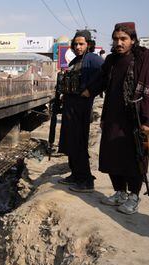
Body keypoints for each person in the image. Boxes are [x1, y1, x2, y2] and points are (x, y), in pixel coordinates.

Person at [83, 22, 149, 214]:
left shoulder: (144, 58)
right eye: (116, 39)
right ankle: (119, 192)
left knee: (136, 158)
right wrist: (85, 92)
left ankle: (134, 196)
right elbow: (101, 82)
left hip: (136, 117)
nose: (119, 42)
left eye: (123, 39)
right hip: (112, 116)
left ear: (132, 40)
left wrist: (148, 121)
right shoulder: (111, 60)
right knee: (112, 155)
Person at [57, 30, 104, 192]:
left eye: (81, 44)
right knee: (71, 141)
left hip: (81, 108)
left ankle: (86, 181)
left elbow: (106, 76)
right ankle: (75, 175)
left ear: (88, 44)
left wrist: (91, 91)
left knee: (78, 142)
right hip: (71, 106)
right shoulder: (76, 60)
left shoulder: (93, 59)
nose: (78, 47)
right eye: (75, 44)